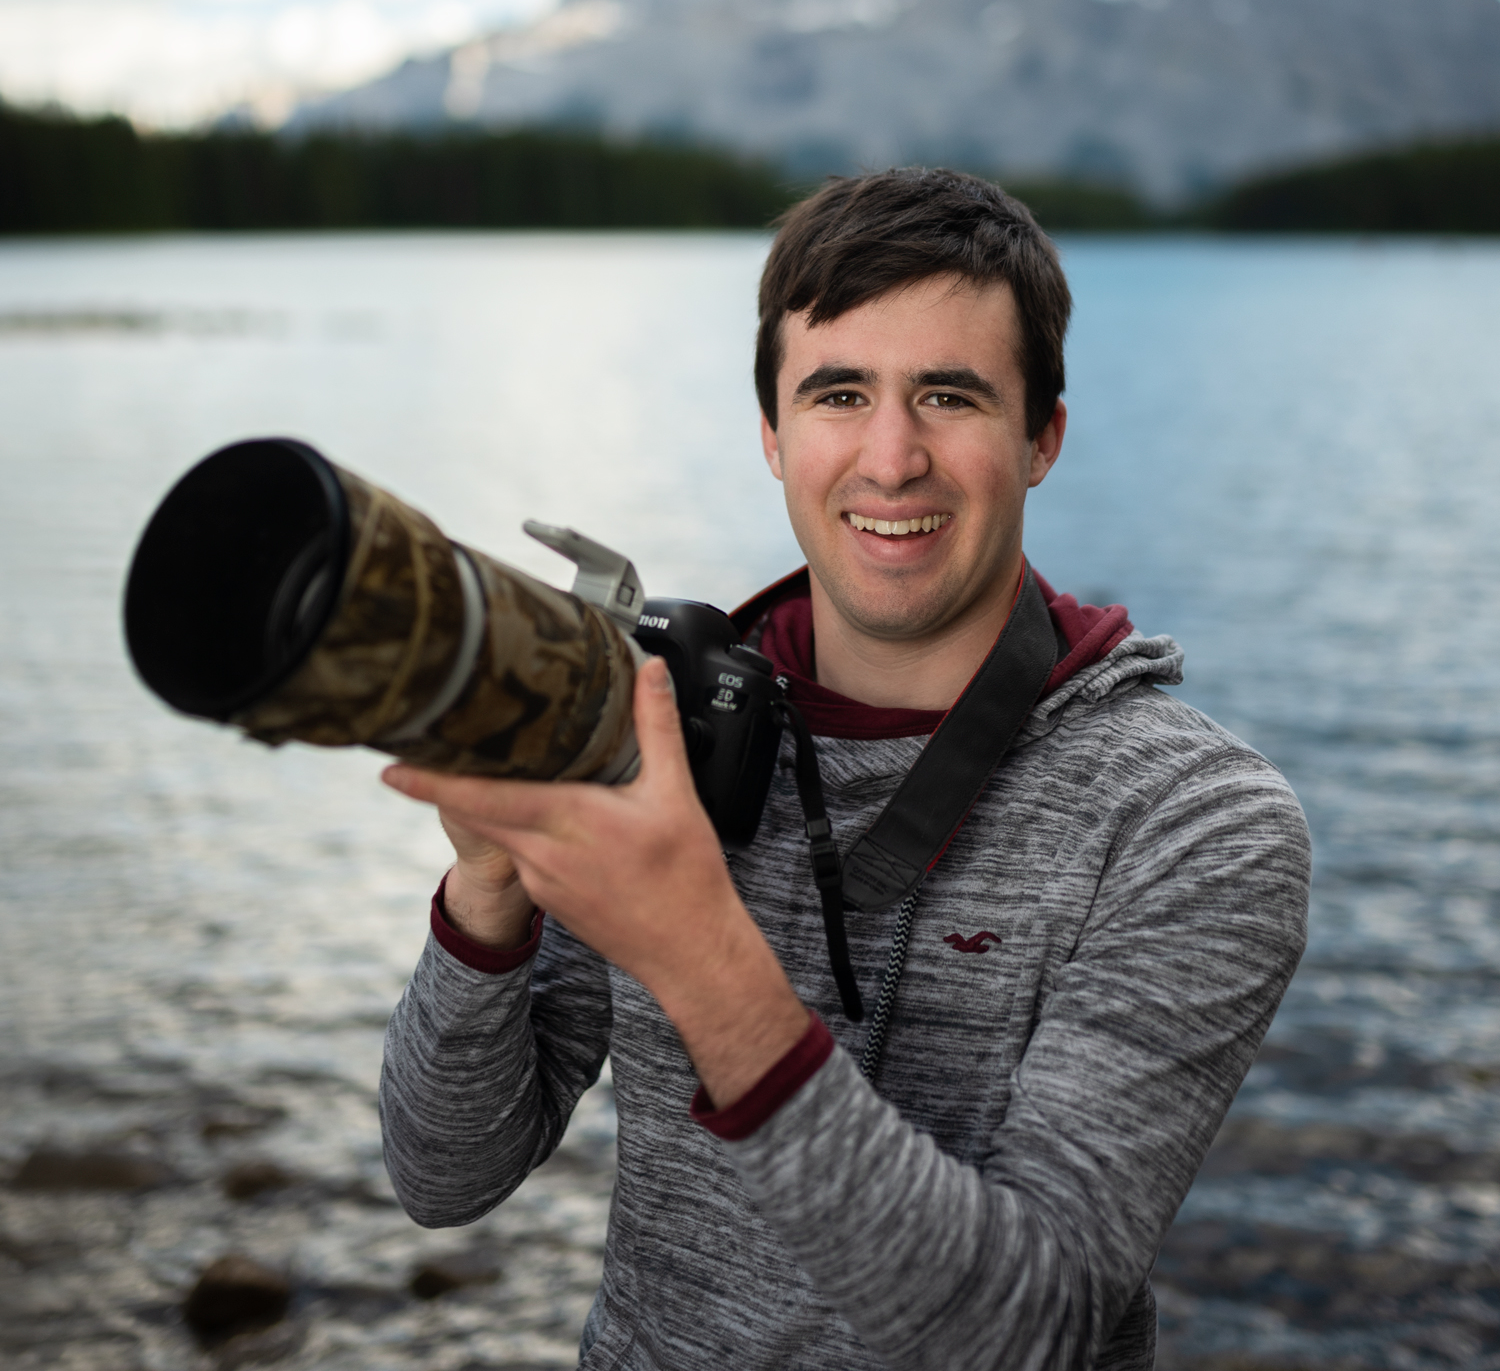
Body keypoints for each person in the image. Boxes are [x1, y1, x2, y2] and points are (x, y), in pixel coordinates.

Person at [378, 167, 1311, 1370]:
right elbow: (444, 1175)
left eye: (948, 396)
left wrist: (696, 952)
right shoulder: (659, 727)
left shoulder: (1191, 824)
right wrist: (488, 892)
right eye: (837, 393)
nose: (890, 458)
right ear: (772, 435)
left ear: (1043, 440)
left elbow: (1032, 1326)